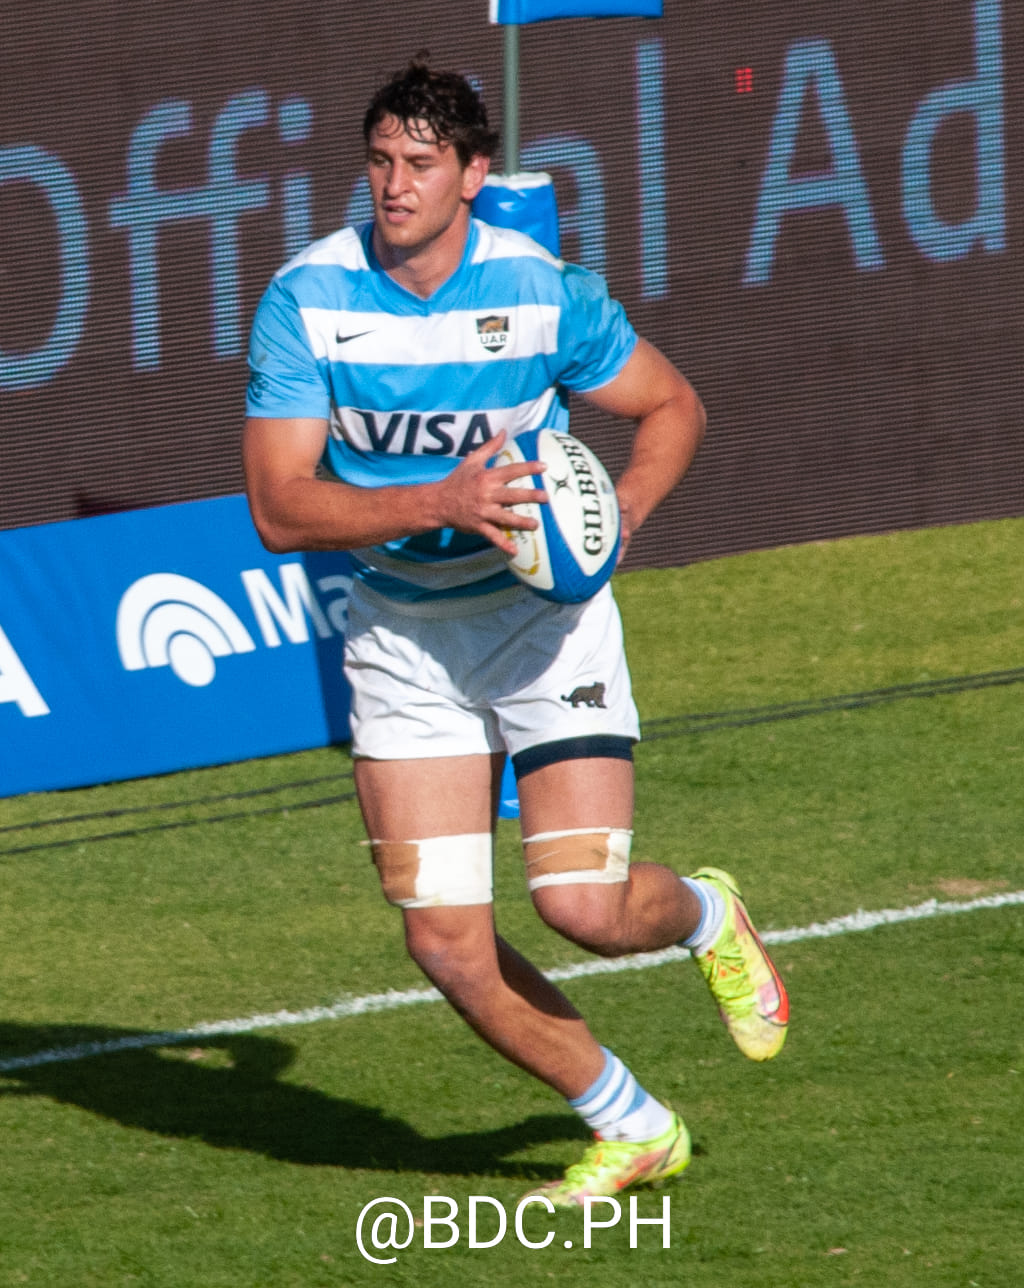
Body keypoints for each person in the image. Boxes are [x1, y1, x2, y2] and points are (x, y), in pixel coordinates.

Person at [243, 56, 788, 1206]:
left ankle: (704, 912)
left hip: (547, 628)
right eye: (380, 161)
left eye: (420, 164)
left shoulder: (543, 293)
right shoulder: (308, 300)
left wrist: (620, 511)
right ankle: (632, 1123)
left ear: (473, 174)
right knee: (443, 943)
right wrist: (438, 502)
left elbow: (672, 403)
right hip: (401, 638)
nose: (393, 185)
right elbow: (281, 505)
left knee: (580, 908)